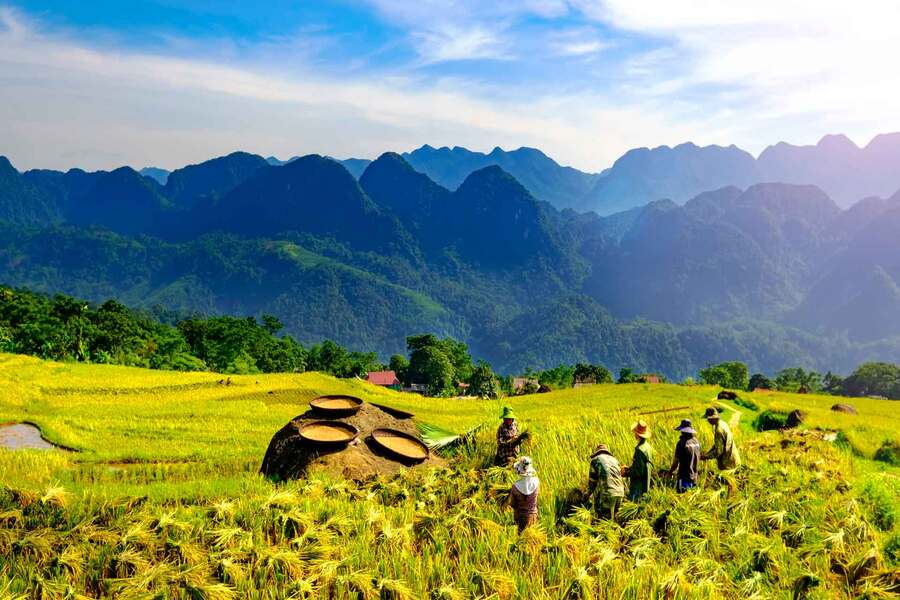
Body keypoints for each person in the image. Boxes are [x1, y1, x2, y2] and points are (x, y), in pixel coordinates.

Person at [587, 443, 625, 520]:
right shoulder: (615, 460)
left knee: (605, 519)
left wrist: (587, 495)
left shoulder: (595, 460)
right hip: (620, 492)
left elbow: (592, 481)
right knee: (615, 519)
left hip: (608, 493)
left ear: (597, 452)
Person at [622, 419, 654, 501]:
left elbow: (638, 472)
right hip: (645, 483)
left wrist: (626, 473)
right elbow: (641, 466)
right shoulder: (648, 447)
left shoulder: (639, 450)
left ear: (637, 434)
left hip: (638, 487)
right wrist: (628, 468)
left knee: (635, 503)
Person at [668, 419, 702, 492]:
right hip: (695, 477)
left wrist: (670, 472)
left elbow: (676, 461)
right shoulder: (697, 442)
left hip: (684, 477)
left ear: (683, 431)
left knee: (681, 496)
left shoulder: (681, 443)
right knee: (691, 497)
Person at [508, 456, 539, 532]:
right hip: (533, 516)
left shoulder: (515, 486)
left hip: (520, 517)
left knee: (521, 537)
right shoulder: (536, 482)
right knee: (532, 536)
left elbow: (512, 504)